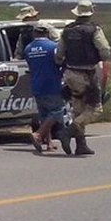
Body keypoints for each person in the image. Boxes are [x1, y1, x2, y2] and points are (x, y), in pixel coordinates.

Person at [55, 0, 111, 155]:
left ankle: (81, 145)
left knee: (78, 109)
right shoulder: (94, 30)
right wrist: (99, 58)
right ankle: (67, 132)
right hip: (87, 74)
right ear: (90, 13)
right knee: (95, 109)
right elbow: (105, 50)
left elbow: (59, 54)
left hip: (70, 74)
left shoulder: (67, 31)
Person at [24, 23, 68, 154]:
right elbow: (60, 61)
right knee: (57, 111)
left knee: (44, 115)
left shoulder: (28, 48)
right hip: (51, 83)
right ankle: (38, 134)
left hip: (36, 84)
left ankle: (49, 143)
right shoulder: (53, 47)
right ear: (47, 33)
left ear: (34, 34)